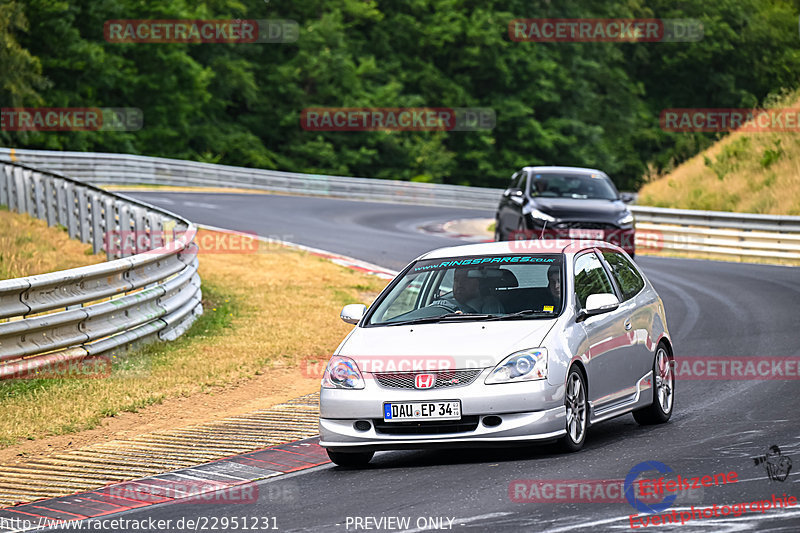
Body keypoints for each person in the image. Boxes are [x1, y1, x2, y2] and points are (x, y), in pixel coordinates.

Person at [432, 268, 504, 314]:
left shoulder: (490, 305)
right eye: (456, 279)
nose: (459, 283)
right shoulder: (442, 304)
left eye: (465, 279)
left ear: (478, 283)